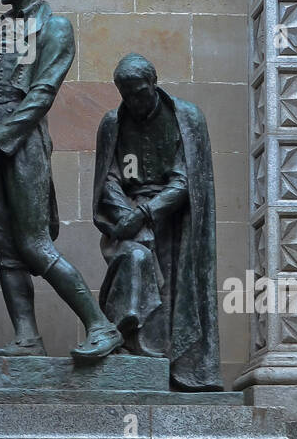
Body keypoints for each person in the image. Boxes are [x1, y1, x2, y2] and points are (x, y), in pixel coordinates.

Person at [0, 0, 122, 363]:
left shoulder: (56, 28)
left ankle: (100, 324)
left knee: (33, 244)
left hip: (21, 141)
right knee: (3, 245)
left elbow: (41, 95)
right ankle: (27, 337)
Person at [93, 53, 223, 391]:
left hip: (176, 219)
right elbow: (108, 178)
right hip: (129, 213)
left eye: (138, 92)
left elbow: (186, 180)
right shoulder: (113, 123)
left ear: (153, 83)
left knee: (176, 292)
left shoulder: (187, 118)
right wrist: (125, 215)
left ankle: (181, 371)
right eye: (126, 94)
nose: (133, 101)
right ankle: (130, 345)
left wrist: (145, 214)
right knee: (133, 260)